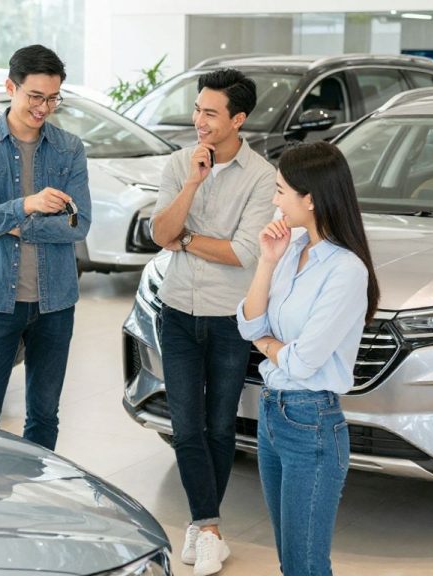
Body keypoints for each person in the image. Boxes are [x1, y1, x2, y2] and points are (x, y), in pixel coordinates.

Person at [150, 68, 276, 576]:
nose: (199, 120)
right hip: (177, 309)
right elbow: (160, 231)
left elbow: (244, 254)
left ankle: (204, 525)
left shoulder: (262, 176)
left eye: (210, 113)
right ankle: (208, 524)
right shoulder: (180, 163)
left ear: (237, 119)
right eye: (197, 109)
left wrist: (185, 240)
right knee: (185, 425)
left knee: (220, 426)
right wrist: (193, 184)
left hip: (230, 317)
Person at [237, 141, 380, 576]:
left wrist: (265, 342)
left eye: (281, 191)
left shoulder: (346, 270)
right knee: (289, 561)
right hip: (272, 413)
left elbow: (301, 363)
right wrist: (266, 260)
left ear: (311, 198)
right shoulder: (290, 246)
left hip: (312, 422)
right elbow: (247, 323)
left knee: (305, 566)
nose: (274, 200)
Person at [0, 44, 90, 450]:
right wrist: (29, 206)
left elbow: (79, 225)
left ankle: (35, 503)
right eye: (36, 96)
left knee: (45, 415)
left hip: (55, 303)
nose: (44, 107)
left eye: (53, 98)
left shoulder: (69, 148)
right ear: (10, 87)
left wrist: (12, 224)